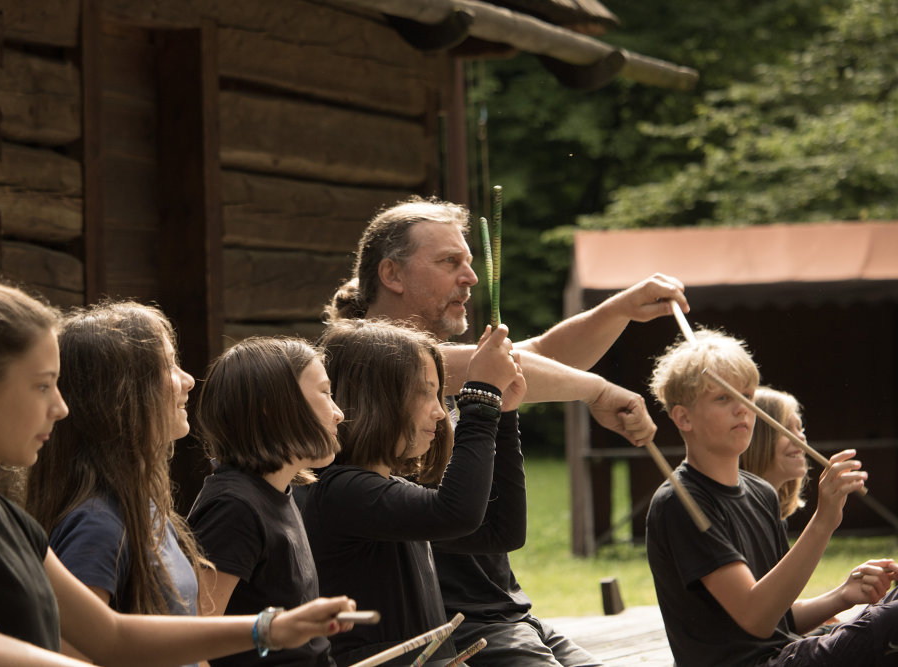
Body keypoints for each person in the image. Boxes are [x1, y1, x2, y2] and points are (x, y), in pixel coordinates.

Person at [0, 273, 355, 666]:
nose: (60, 408)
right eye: (42, 387)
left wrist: (269, 629)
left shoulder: (8, 518)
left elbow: (111, 634)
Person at [323, 195, 680, 666]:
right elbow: (499, 367)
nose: (470, 277)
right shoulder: (365, 367)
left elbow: (537, 356)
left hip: (504, 610)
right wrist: (597, 391)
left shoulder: (444, 363)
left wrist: (620, 310)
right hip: (450, 627)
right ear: (392, 274)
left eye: (469, 262)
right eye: (450, 262)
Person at [645, 327, 898, 666]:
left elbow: (779, 618)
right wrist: (824, 521)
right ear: (683, 417)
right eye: (723, 398)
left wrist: (843, 595)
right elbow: (756, 617)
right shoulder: (681, 502)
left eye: (747, 396)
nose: (742, 409)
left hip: (786, 652)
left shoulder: (761, 493)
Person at [303, 319, 525, 666]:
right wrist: (481, 399)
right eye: (424, 393)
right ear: (376, 397)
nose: (439, 411)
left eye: (439, 395)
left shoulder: (381, 493)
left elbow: (501, 532)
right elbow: (457, 513)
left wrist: (503, 416)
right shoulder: (341, 493)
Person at [24, 302, 208, 665]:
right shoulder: (97, 525)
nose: (188, 380)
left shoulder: (144, 507)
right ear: (120, 394)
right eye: (168, 365)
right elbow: (73, 657)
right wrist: (267, 629)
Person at [188, 337, 345, 667]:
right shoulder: (233, 508)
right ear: (271, 407)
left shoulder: (277, 493)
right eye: (325, 393)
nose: (339, 414)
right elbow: (194, 638)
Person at [740, 386, 810, 521]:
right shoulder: (742, 512)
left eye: (799, 428)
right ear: (758, 440)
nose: (801, 437)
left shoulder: (772, 510)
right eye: (786, 429)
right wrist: (823, 518)